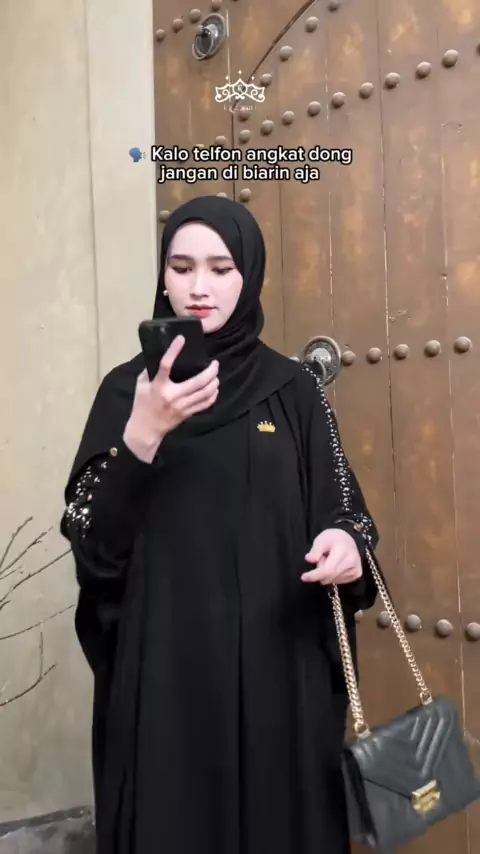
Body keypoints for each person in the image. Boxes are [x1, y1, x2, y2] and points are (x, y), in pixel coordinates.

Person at [60, 195, 381, 854]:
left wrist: (346, 544)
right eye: (181, 268)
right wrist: (143, 435)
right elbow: (92, 547)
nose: (199, 287)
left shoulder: (294, 391)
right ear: (163, 277)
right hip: (165, 678)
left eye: (220, 268)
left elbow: (346, 511)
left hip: (277, 673)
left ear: (249, 275)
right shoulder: (127, 393)